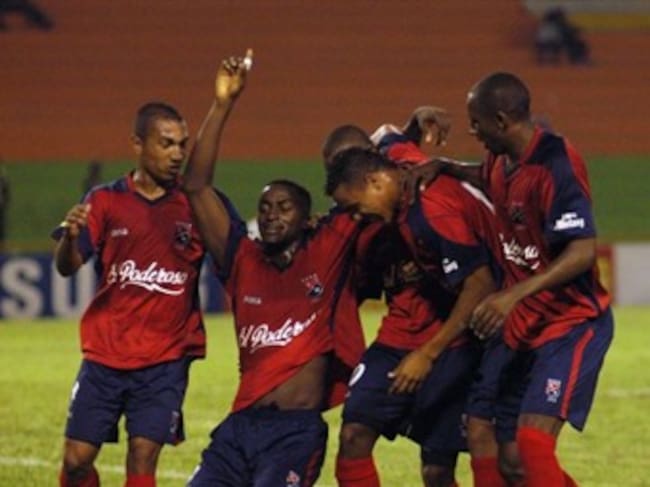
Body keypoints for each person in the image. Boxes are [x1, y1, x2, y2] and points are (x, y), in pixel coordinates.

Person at [183, 51, 367, 487]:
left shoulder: (327, 250)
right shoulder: (241, 260)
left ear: (307, 219)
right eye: (264, 207)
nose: (271, 216)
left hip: (294, 433)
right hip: (240, 425)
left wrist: (403, 136)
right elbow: (195, 186)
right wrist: (222, 105)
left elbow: (366, 185)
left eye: (284, 208)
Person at [326, 141, 511, 486]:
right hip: (399, 340)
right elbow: (396, 137)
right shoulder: (399, 182)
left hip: (461, 341)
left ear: (375, 181)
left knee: (448, 466)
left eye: (355, 206)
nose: (356, 217)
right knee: (353, 434)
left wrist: (427, 353)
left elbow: (480, 284)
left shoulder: (431, 210)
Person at [465, 71, 612, 486]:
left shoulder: (556, 163)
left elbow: (582, 251)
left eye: (476, 122)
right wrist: (443, 167)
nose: (472, 131)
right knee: (509, 459)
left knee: (532, 443)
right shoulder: (499, 160)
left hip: (570, 323)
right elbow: (482, 177)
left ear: (500, 120)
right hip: (524, 326)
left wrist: (511, 295)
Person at [52, 102, 206, 487]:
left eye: (182, 145)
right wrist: (70, 239)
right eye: (166, 144)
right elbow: (68, 265)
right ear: (138, 144)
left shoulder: (196, 204)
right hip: (105, 354)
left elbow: (240, 252)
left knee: (142, 457)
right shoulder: (105, 199)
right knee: (75, 461)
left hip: (165, 359)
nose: (177, 154)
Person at [0, 161, 10, 251]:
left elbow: (6, 193)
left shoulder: (3, 180)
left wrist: (5, 203)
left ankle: (2, 247)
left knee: (2, 227)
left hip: (1, 207)